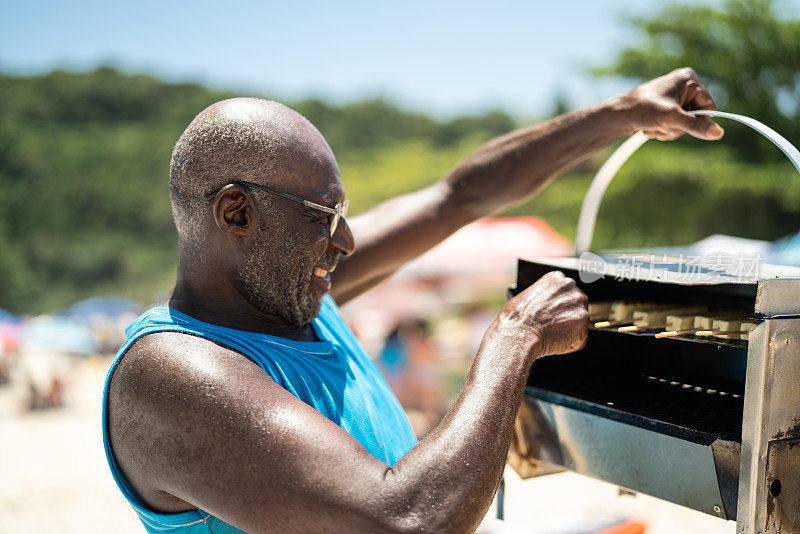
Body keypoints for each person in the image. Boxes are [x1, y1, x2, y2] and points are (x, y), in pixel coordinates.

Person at [103, 68, 723, 533]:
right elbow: (405, 520)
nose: (345, 240)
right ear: (236, 211)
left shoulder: (296, 300)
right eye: (323, 216)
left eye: (342, 213)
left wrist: (621, 113)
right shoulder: (173, 373)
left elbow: (458, 195)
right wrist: (513, 337)